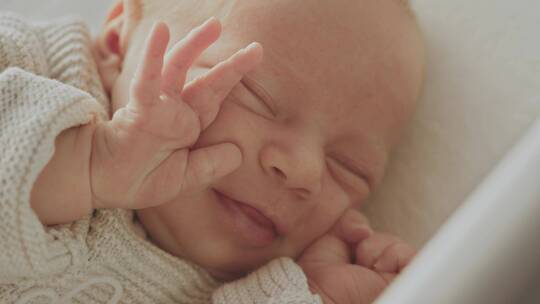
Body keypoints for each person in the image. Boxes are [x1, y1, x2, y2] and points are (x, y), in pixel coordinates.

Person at [0, 0, 425, 303]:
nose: (304, 169)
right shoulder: (37, 63)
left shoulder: (260, 282)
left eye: (350, 168)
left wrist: (313, 295)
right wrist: (87, 162)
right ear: (117, 41)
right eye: (256, 95)